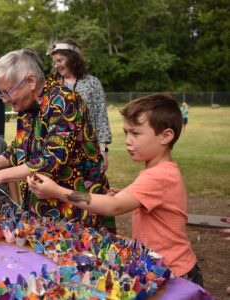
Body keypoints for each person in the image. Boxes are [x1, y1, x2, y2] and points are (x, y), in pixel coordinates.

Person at [27, 93, 203, 286]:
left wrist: (58, 191)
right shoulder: (158, 170)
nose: (128, 140)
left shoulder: (159, 176)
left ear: (166, 136)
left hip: (175, 273)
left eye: (135, 133)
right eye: (126, 132)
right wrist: (124, 195)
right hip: (161, 267)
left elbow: (113, 207)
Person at [0, 48, 110, 230]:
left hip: (74, 208)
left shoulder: (64, 101)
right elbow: (18, 149)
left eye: (6, 92)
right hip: (43, 206)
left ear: (30, 81)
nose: (4, 100)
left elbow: (52, 160)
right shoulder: (27, 106)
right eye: (0, 93)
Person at [51, 38, 112, 171]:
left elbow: (101, 118)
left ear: (73, 59)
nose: (56, 65)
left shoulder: (92, 83)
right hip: (58, 153)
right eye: (55, 62)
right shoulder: (52, 85)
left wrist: (103, 150)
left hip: (89, 151)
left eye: (60, 61)